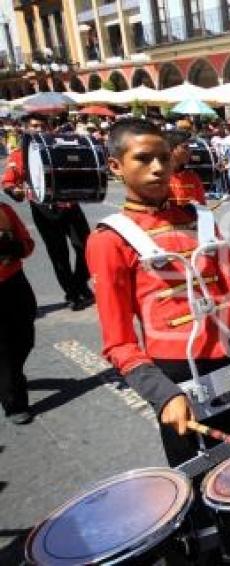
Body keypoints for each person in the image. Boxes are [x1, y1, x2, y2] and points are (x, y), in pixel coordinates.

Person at [86, 118, 230, 467]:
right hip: (176, 377)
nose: (159, 167)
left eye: (163, 157)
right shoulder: (108, 240)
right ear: (116, 166)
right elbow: (119, 342)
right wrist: (163, 396)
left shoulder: (200, 219)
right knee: (206, 484)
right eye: (143, 159)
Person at [1, 115, 95, 311]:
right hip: (44, 210)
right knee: (58, 254)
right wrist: (16, 191)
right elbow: (9, 182)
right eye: (35, 126)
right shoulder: (20, 155)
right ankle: (72, 294)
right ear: (26, 129)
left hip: (70, 205)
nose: (40, 128)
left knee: (86, 247)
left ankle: (80, 284)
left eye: (43, 125)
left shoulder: (60, 147)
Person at [0, 201, 36, 424]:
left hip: (14, 282)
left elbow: (28, 244)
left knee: (25, 340)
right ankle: (14, 402)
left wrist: (12, 248)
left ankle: (10, 376)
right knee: (3, 349)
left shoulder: (3, 210)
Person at [165, 130, 207, 206]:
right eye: (185, 147)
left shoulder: (193, 177)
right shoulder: (158, 178)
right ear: (170, 149)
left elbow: (202, 207)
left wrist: (196, 207)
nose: (190, 151)